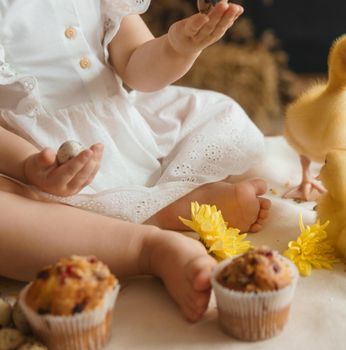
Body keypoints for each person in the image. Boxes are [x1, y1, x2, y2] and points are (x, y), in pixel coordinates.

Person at [0, 0, 271, 322]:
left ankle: (177, 200)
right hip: (21, 156)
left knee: (221, 114)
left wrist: (177, 46)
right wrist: (27, 165)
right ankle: (146, 247)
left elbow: (137, 66)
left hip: (120, 129)